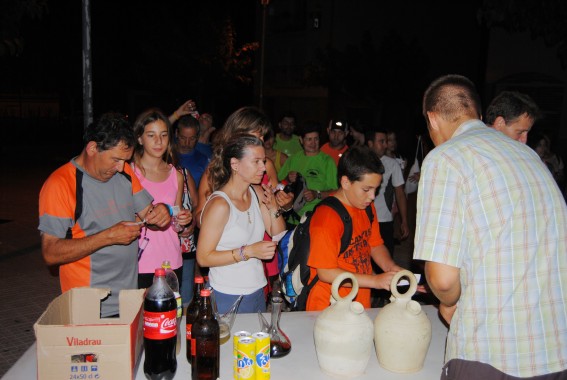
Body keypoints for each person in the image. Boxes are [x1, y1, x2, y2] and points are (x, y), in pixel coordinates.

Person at [415, 74, 567, 378]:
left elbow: (443, 280)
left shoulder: (446, 158)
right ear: (479, 114)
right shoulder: (530, 157)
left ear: (432, 118)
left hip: (490, 353)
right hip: (555, 350)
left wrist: (449, 303)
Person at [38, 112, 171, 317]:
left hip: (128, 300)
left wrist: (161, 212)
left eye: (124, 160)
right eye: (115, 159)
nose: (120, 167)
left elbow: (149, 215)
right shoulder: (60, 184)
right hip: (88, 305)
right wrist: (108, 237)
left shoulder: (124, 172)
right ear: (92, 148)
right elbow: (50, 252)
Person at [306, 146, 404, 311]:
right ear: (345, 182)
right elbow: (325, 272)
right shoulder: (326, 218)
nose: (372, 197)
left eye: (376, 189)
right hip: (329, 305)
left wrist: (390, 268)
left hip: (359, 300)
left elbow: (375, 244)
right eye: (366, 189)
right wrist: (375, 281)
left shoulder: (366, 206)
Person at [196, 135, 286, 314]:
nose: (263, 168)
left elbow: (278, 234)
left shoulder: (257, 192)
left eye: (263, 161)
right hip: (226, 292)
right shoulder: (220, 204)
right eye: (256, 162)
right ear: (235, 164)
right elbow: (203, 257)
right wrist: (248, 251)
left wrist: (274, 207)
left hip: (257, 289)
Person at [131, 108, 192, 289]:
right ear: (140, 139)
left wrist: (183, 220)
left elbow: (176, 217)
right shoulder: (130, 173)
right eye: (151, 135)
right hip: (139, 262)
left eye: (164, 135)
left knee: (171, 315)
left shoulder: (176, 175)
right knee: (141, 316)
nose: (159, 142)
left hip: (171, 261)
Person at [278, 121, 338, 224]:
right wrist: (287, 179)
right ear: (301, 140)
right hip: (293, 218)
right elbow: (278, 185)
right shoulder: (293, 159)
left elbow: (336, 192)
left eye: (316, 139)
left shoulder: (327, 161)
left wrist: (317, 194)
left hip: (317, 218)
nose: (313, 143)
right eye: (309, 139)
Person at [366, 129, 409, 256]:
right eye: (381, 141)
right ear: (370, 144)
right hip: (362, 219)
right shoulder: (359, 162)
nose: (385, 145)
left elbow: (400, 193)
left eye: (386, 141)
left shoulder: (392, 164)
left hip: (384, 220)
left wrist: (404, 220)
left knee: (385, 258)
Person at [175, 114, 210, 187]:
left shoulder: (204, 161)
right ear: (176, 134)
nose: (187, 143)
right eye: (183, 138)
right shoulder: (165, 156)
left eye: (192, 139)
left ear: (197, 137)